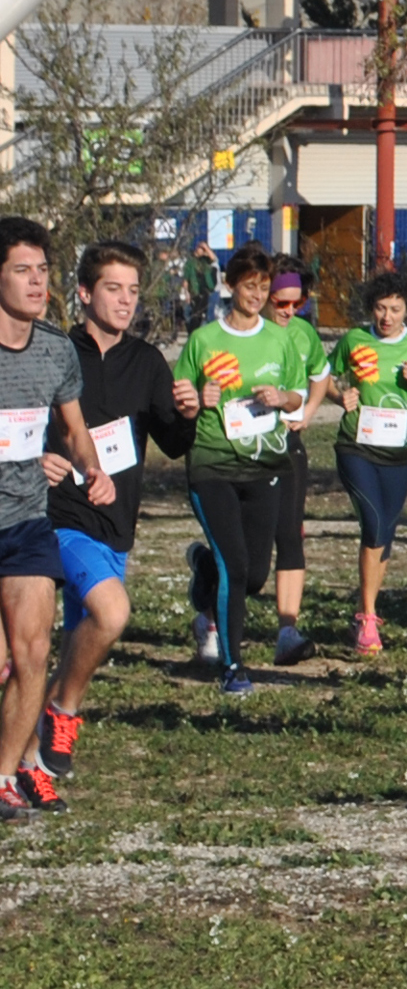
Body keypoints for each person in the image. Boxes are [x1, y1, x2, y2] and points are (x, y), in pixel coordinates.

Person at [28, 242, 194, 791]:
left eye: (131, 291)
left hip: (115, 525)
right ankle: (65, 712)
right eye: (112, 289)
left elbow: (171, 443)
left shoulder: (146, 361)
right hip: (59, 515)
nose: (125, 301)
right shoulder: (54, 351)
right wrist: (39, 459)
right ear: (83, 293)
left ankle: (29, 765)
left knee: (81, 639)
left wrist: (192, 413)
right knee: (112, 612)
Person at [0, 222, 118, 817]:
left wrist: (90, 468)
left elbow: (75, 430)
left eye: (43, 270)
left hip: (25, 523)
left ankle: (5, 775)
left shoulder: (54, 350)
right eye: (23, 270)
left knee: (32, 653)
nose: (36, 282)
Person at [174, 243, 309, 693]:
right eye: (249, 287)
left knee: (252, 576)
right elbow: (180, 403)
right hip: (213, 465)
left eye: (263, 288)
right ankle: (233, 668)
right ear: (230, 285)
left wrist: (281, 399)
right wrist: (198, 400)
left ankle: (204, 571)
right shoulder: (204, 340)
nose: (257, 296)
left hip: (266, 463)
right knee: (236, 566)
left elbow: (298, 397)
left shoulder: (279, 338)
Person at [332, 271, 407, 656]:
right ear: (372, 308)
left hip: (399, 454)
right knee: (374, 524)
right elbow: (323, 377)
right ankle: (368, 616)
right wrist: (340, 395)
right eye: (381, 308)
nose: (387, 317)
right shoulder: (354, 339)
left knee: (384, 534)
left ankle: (365, 610)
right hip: (357, 447)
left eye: (396, 309)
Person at [262, 258, 329, 662]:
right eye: (280, 303)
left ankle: (288, 630)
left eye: (296, 304)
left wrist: (308, 412)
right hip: (244, 450)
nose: (289, 312)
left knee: (290, 534)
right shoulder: (246, 332)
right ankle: (211, 610)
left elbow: (320, 375)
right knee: (249, 550)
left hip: (288, 444)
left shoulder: (303, 333)